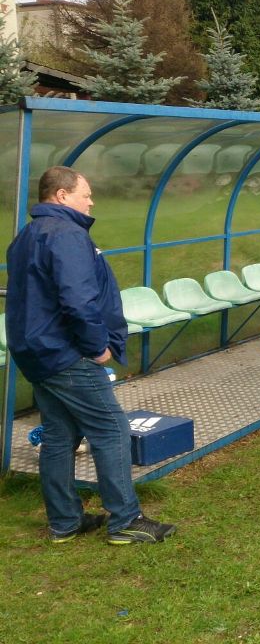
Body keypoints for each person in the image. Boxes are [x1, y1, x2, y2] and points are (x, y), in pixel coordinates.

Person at [5, 166, 176, 544]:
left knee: (58, 435)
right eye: (86, 194)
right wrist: (98, 346)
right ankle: (125, 520)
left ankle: (65, 522)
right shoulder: (66, 234)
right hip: (66, 352)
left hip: (37, 351)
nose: (92, 201)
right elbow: (78, 300)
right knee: (111, 429)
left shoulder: (28, 235)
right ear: (62, 195)